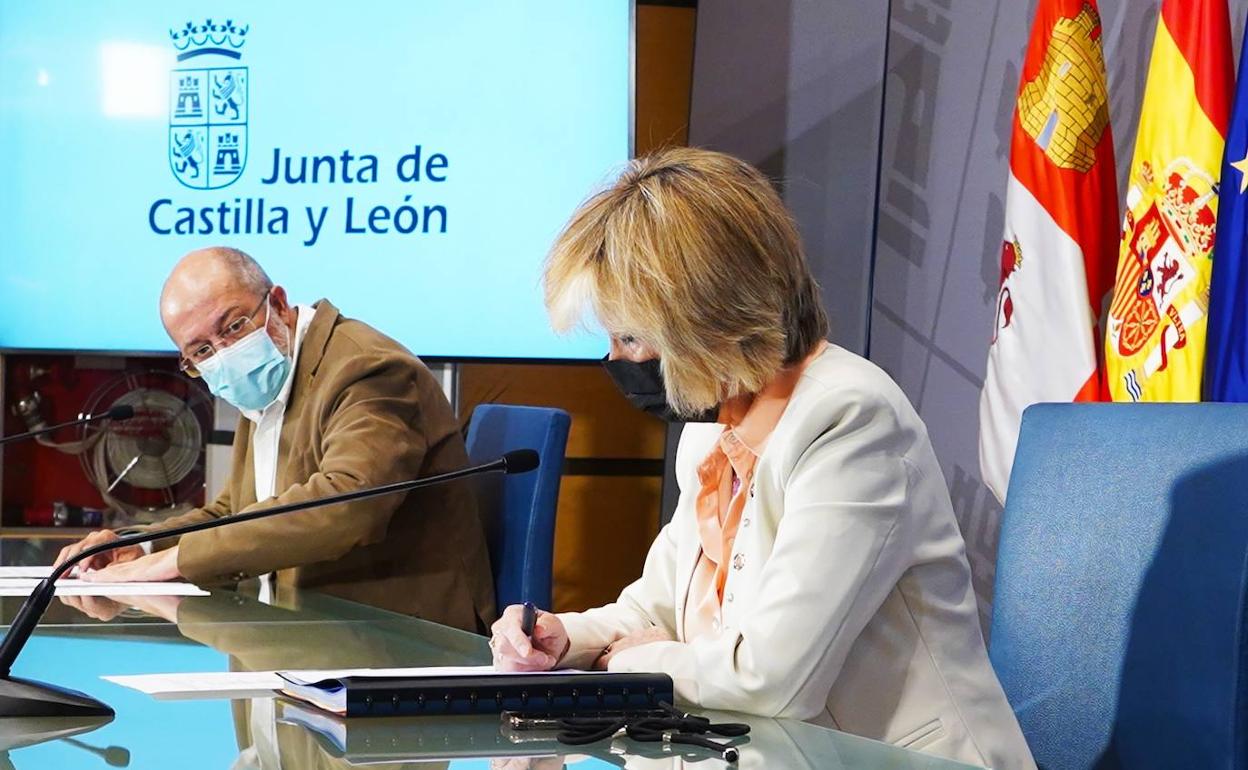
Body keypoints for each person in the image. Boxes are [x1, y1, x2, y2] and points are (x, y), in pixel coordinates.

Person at [490, 148, 1036, 768]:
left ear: (707, 320)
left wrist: (632, 660)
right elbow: (657, 607)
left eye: (632, 337)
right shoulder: (712, 430)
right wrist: (565, 639)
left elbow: (772, 679)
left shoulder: (851, 420)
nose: (616, 361)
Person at [54, 247, 495, 632]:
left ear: (279, 304)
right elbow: (233, 511)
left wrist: (171, 563)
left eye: (233, 327)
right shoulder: (272, 375)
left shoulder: (366, 369)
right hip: (302, 633)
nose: (224, 353)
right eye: (201, 351)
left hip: (399, 640)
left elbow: (345, 506)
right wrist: (135, 546)